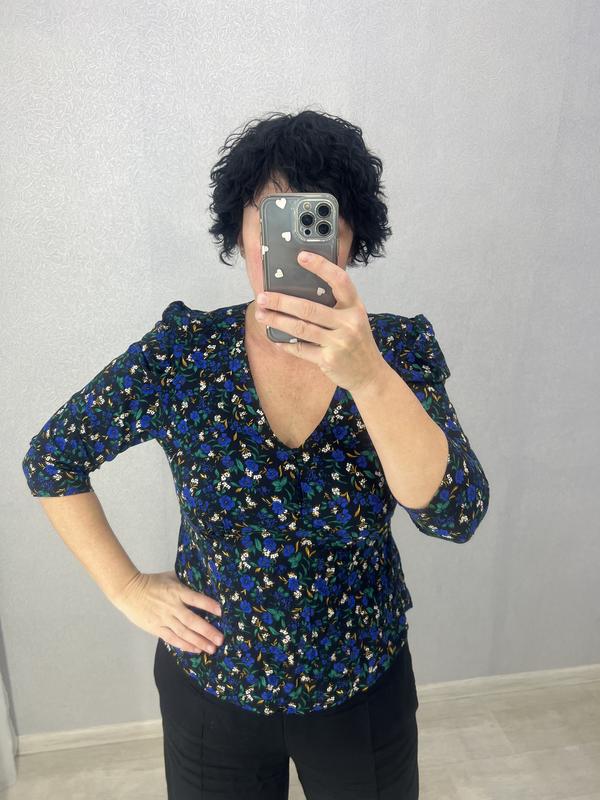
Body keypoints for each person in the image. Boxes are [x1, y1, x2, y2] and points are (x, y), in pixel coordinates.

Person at [22, 108, 490, 799]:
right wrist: (125, 588)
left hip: (362, 688)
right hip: (213, 689)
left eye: (319, 221)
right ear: (239, 231)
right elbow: (52, 458)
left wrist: (368, 378)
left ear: (352, 237)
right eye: (273, 218)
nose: (295, 247)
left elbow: (455, 514)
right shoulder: (184, 353)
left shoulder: (397, 352)